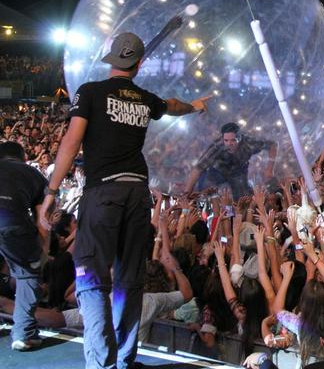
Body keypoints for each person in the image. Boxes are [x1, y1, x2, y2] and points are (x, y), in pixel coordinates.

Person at [41, 32, 210, 369]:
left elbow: (72, 141)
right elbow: (173, 105)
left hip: (103, 192)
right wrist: (195, 106)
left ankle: (102, 360)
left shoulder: (90, 92)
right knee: (129, 280)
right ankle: (124, 358)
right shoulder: (145, 99)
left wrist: (51, 190)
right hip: (137, 194)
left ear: (111, 59)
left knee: (91, 279)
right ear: (139, 64)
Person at [0, 141, 47, 351]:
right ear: (23, 158)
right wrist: (42, 252)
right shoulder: (33, 174)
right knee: (28, 274)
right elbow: (43, 218)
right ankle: (24, 333)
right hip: (12, 223)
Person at [183, 122, 277, 200]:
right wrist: (186, 195)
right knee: (205, 195)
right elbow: (198, 169)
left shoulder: (248, 143)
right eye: (226, 140)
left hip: (238, 173)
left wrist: (270, 168)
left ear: (240, 138)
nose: (229, 144)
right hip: (217, 173)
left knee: (243, 199)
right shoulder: (217, 146)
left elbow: (273, 145)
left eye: (233, 140)